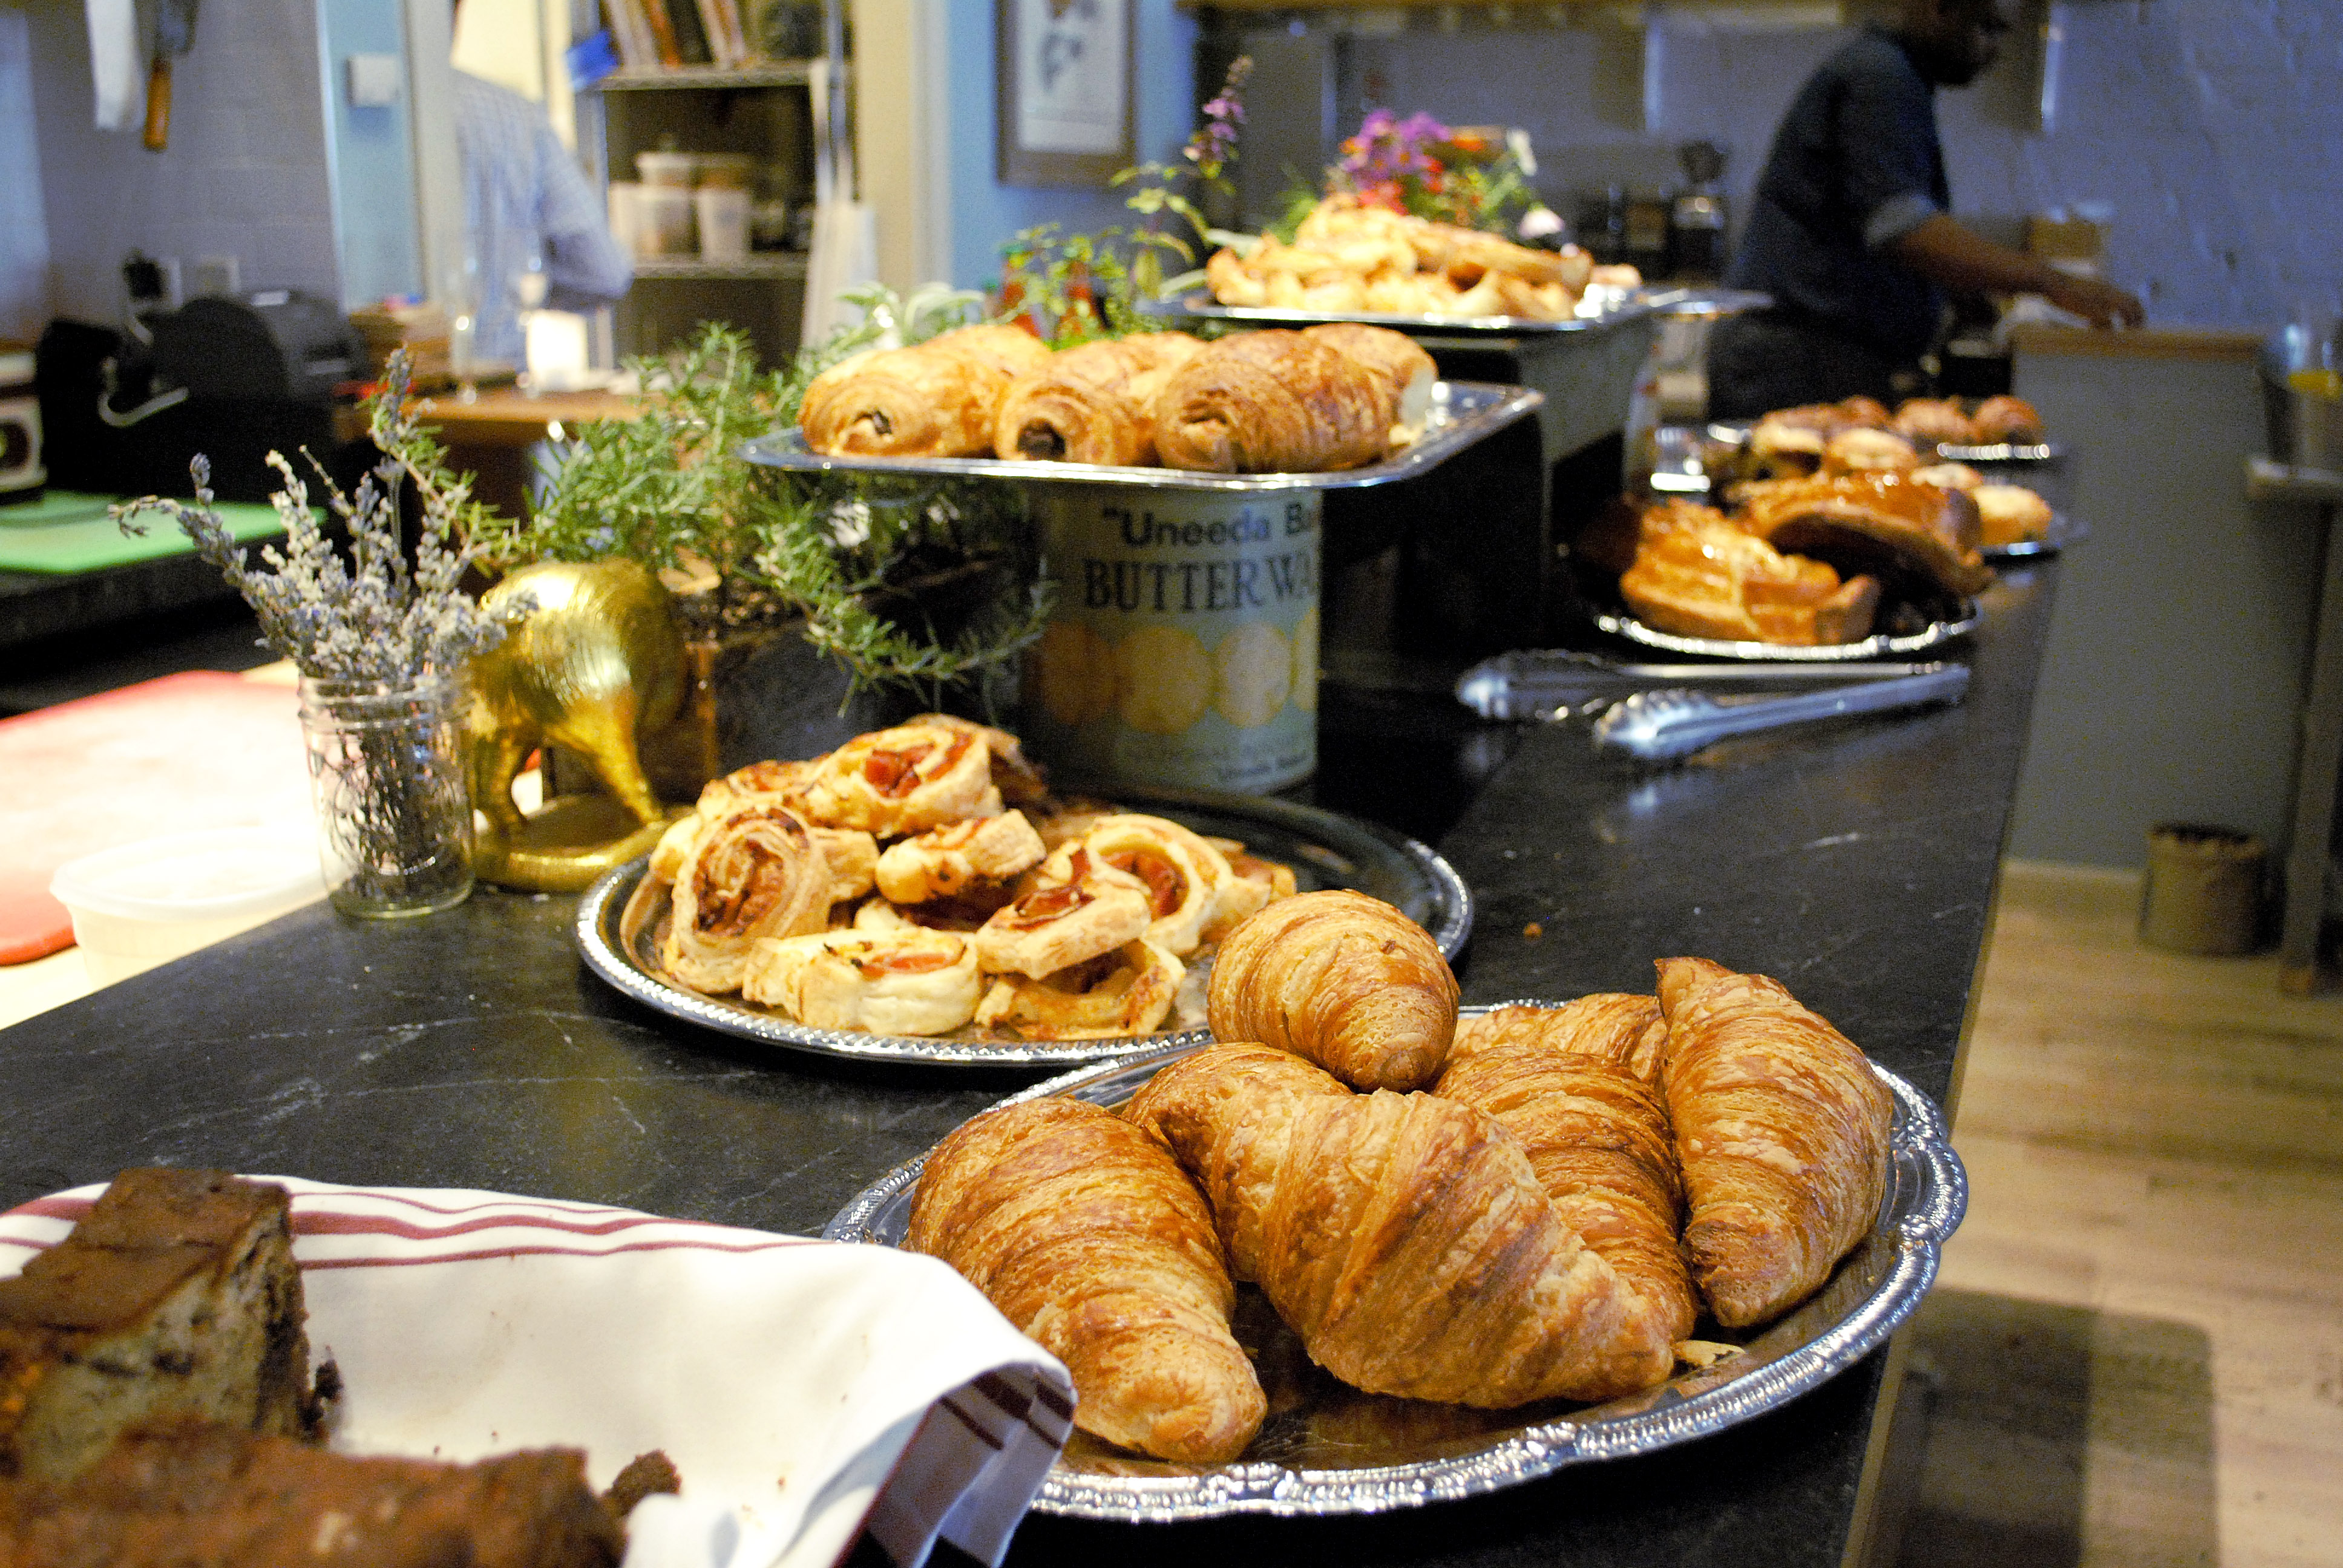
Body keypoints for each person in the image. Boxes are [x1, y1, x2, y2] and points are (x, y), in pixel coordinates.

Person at [1706, 0, 2143, 419]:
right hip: (1800, 359)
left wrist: (1962, 289)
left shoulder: (1887, 72)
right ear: (1941, 8)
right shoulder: (1882, 77)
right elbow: (1902, 228)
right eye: (1987, 27)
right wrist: (2050, 281)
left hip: (1804, 356)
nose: (1995, 50)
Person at [449, 66, 632, 367]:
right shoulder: (514, 114)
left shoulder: (373, 96)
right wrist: (521, 285)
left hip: (390, 388)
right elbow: (604, 272)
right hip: (500, 386)